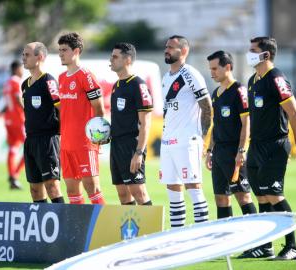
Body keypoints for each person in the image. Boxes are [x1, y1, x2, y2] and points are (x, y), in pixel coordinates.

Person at [239, 37, 296, 260]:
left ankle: (293, 247)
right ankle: (265, 245)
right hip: (256, 146)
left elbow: (294, 113)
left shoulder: (276, 78)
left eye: (253, 51)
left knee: (274, 195)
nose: (249, 54)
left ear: (266, 55)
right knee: (261, 196)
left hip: (275, 145)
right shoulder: (252, 80)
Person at [160, 35, 212, 227]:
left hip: (187, 140)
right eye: (166, 47)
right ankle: (177, 235)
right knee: (172, 189)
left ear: (184, 51)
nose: (167, 50)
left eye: (171, 47)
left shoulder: (190, 74)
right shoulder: (166, 77)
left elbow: (207, 107)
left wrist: (203, 139)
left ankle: (202, 235)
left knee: (193, 187)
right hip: (168, 141)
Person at [205, 51, 257, 219]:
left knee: (243, 196)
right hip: (219, 152)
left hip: (234, 152)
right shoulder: (216, 93)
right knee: (221, 198)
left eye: (215, 69)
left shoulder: (239, 90)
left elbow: (246, 123)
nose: (211, 72)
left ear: (227, 67)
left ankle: (259, 243)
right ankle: (226, 241)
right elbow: (216, 124)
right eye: (210, 69)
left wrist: (241, 151)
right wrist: (209, 151)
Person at [57, 32, 106, 205]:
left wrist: (98, 138)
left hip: (84, 144)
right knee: (71, 190)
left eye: (64, 50)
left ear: (76, 51)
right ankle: (80, 229)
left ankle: (102, 227)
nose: (60, 54)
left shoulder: (86, 76)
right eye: (59, 50)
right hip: (66, 144)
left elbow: (99, 110)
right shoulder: (61, 78)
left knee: (92, 187)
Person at [109, 42, 153, 205]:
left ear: (127, 60)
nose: (111, 59)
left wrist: (139, 152)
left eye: (115, 56)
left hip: (132, 145)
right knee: (123, 194)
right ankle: (132, 231)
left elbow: (145, 123)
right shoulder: (116, 86)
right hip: (116, 145)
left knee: (138, 191)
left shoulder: (138, 85)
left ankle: (153, 231)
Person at [21, 42, 65, 203]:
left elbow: (62, 109)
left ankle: (63, 224)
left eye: (27, 55)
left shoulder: (48, 81)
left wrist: (63, 134)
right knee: (35, 189)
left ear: (39, 57)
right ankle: (42, 227)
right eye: (23, 54)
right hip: (31, 140)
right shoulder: (25, 84)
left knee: (52, 186)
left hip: (48, 140)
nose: (23, 58)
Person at [2, 60, 25, 190]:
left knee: (13, 148)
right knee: (30, 148)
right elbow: (18, 99)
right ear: (16, 69)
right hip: (18, 120)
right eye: (22, 68)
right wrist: (28, 111)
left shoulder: (6, 83)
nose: (23, 71)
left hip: (8, 119)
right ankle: (15, 175)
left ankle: (12, 175)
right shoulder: (16, 81)